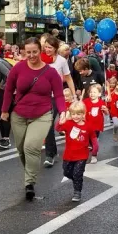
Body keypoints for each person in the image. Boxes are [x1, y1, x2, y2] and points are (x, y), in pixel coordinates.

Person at [1, 37, 66, 200]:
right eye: (28, 52)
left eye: (34, 52)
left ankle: (29, 182)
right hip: (19, 114)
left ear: (40, 51)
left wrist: (64, 111)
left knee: (31, 147)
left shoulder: (50, 72)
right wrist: (4, 111)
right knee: (21, 149)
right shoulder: (18, 68)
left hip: (42, 115)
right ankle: (29, 173)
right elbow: (8, 90)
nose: (31, 55)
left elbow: (58, 94)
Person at [43, 35, 76, 168]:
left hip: (57, 96)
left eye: (49, 47)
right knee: (46, 124)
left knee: (54, 122)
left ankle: (51, 154)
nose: (47, 50)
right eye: (45, 47)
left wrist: (74, 96)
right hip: (43, 96)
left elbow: (68, 79)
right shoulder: (42, 59)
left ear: (56, 48)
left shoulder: (62, 61)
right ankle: (52, 152)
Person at [56, 101, 98, 202]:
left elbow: (93, 138)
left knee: (78, 173)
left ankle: (77, 192)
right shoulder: (68, 124)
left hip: (82, 155)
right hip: (69, 155)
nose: (76, 116)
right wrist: (60, 122)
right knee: (67, 172)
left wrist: (95, 150)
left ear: (83, 114)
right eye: (73, 114)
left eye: (78, 114)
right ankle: (76, 180)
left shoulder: (88, 126)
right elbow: (58, 128)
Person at [83, 84, 109, 163]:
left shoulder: (101, 103)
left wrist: (105, 110)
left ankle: (94, 155)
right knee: (86, 141)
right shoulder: (86, 101)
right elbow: (81, 110)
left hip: (96, 126)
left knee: (95, 142)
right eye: (91, 92)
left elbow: (107, 114)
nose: (92, 94)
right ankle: (86, 153)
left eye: (94, 92)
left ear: (99, 94)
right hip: (87, 126)